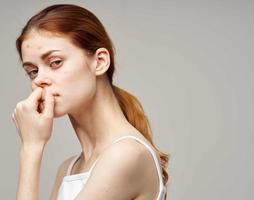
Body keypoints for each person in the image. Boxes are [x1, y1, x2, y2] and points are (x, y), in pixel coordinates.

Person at [11, 4, 169, 200]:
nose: (39, 80)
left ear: (100, 61)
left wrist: (31, 149)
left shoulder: (126, 155)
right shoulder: (68, 169)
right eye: (32, 71)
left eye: (55, 62)